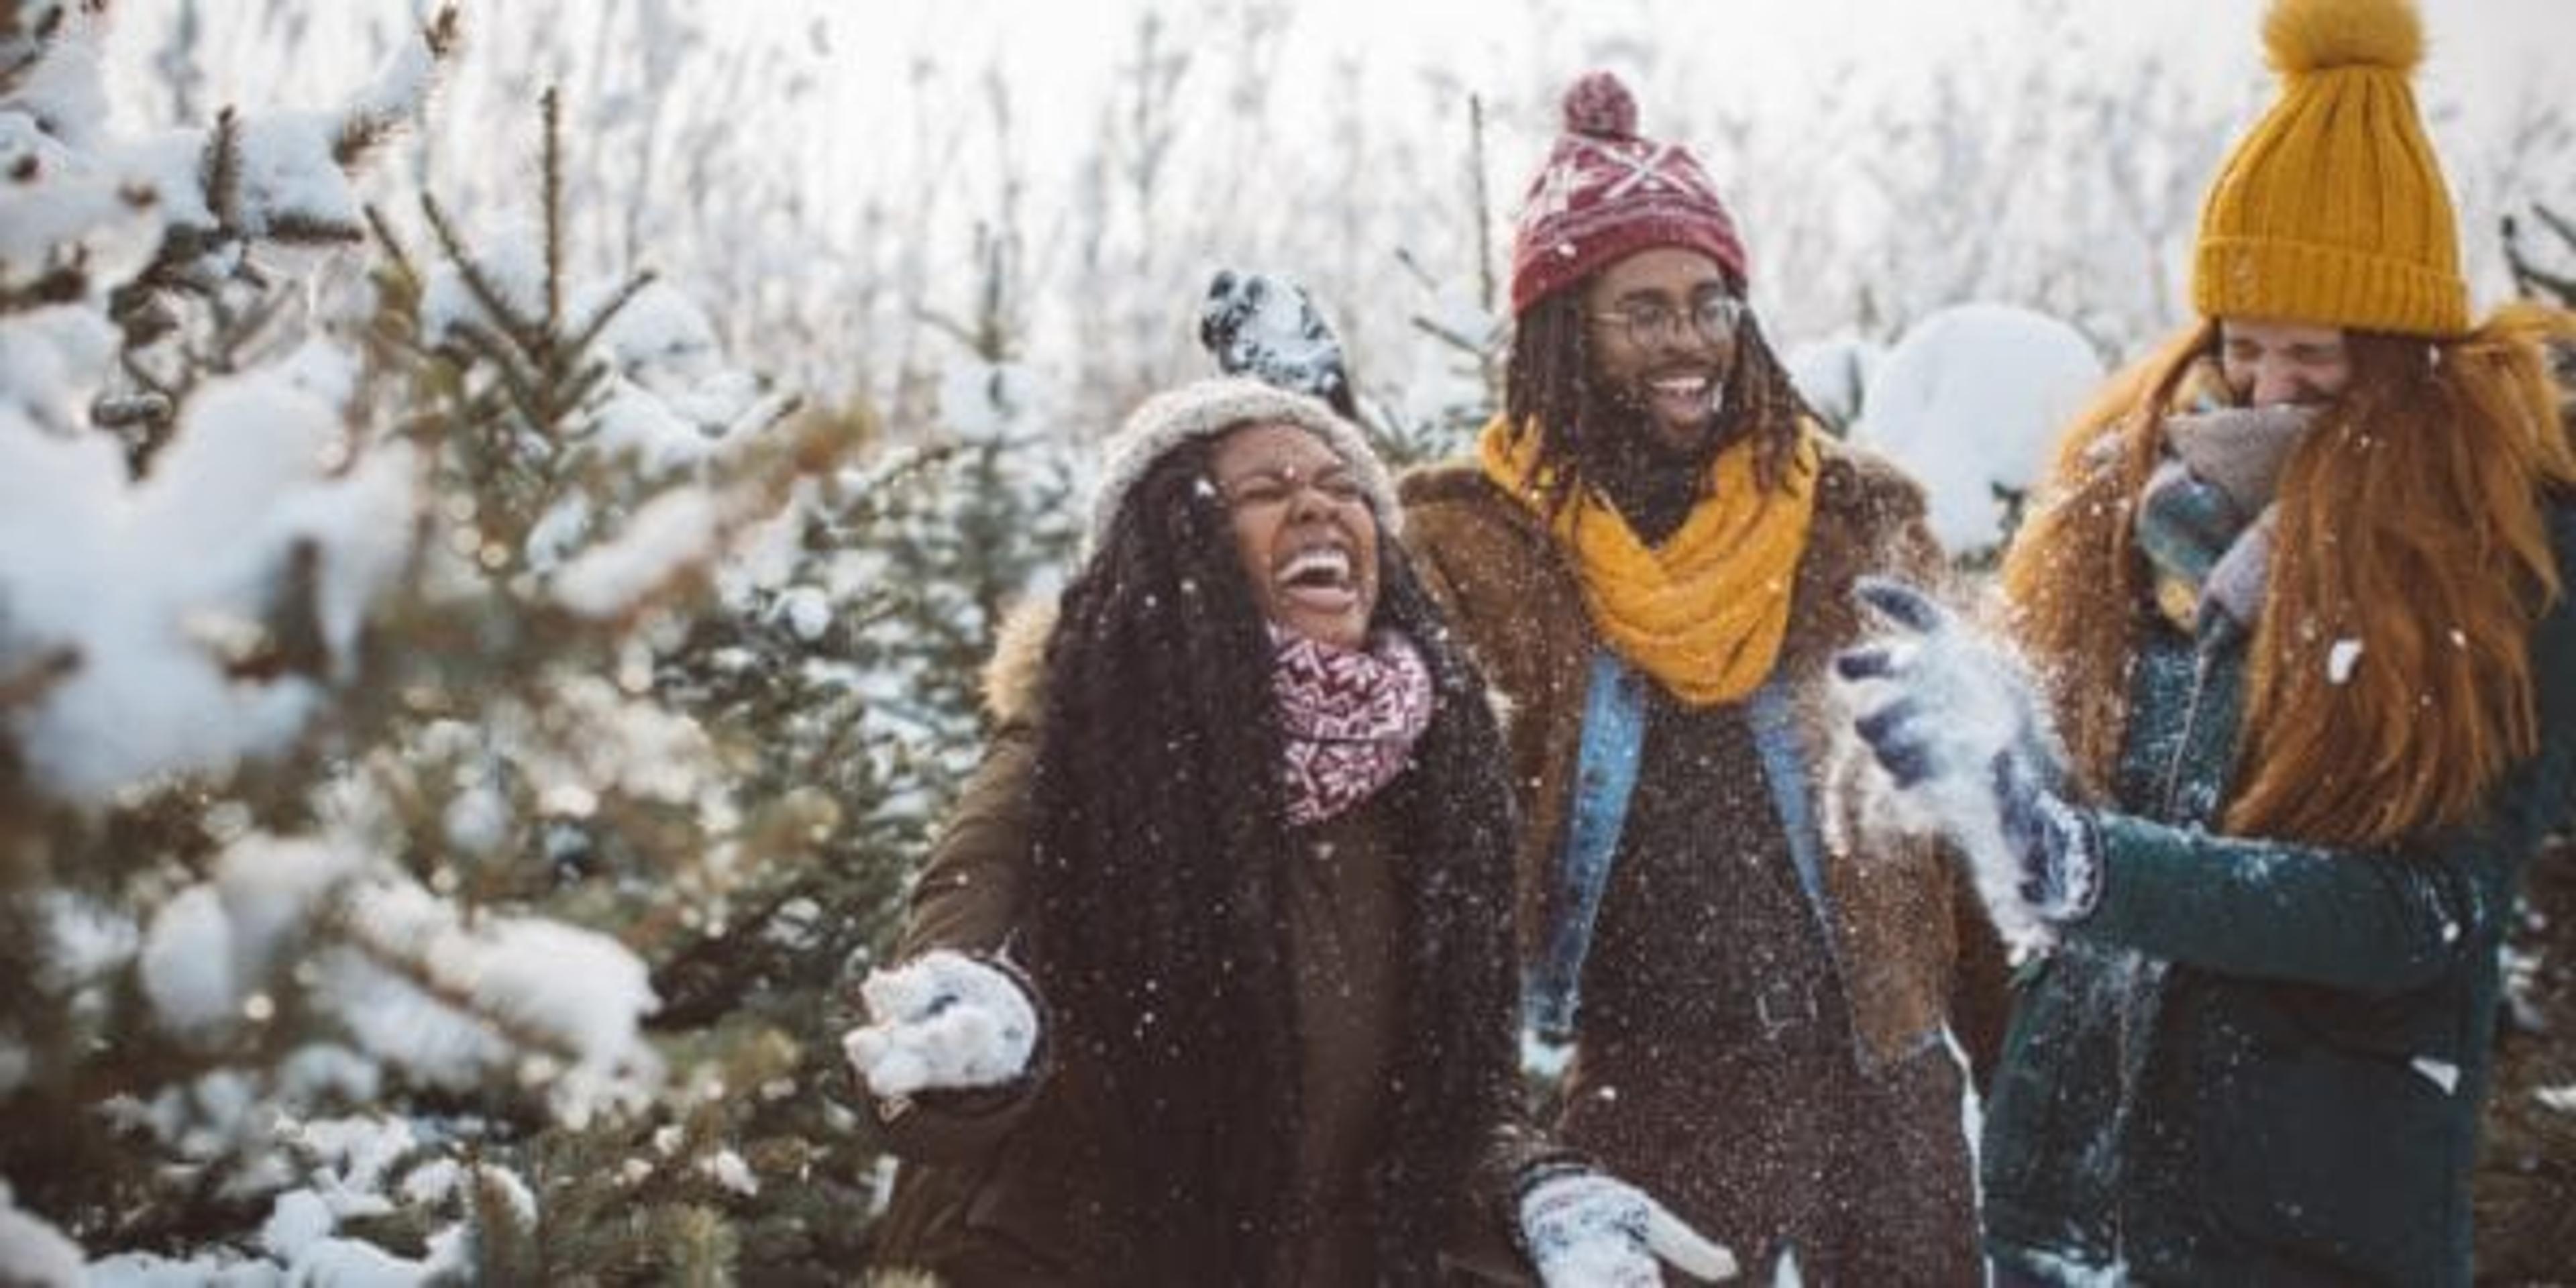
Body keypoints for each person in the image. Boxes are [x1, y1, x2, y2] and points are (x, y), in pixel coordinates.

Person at [1836, 0, 2576, 1281]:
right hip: (2068, 1202)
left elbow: (2424, 910)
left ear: (2403, 356)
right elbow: (2070, 841)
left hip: (2307, 1228)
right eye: (2243, 349)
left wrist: (2091, 865)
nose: (2266, 390)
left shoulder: (2504, 558)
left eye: (2315, 357)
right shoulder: (2131, 516)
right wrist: (2006, 749)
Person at [843, 376, 1734, 1286]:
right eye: (1265, 491)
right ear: (1178, 547)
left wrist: (1537, 1183)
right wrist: (973, 1048)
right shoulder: (1073, 748)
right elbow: (926, 1024)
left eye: (1343, 485)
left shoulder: (1436, 775)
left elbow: (1458, 1100)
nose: (1317, 501)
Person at [1396, 70, 2006, 1285]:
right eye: (1645, 310)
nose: (1690, 340)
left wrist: (2002, 1051)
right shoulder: (1474, 544)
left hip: (1878, 1076)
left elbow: (1960, 807)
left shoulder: (1854, 517)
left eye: (1711, 303)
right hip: (1639, 1079)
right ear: (1567, 329)